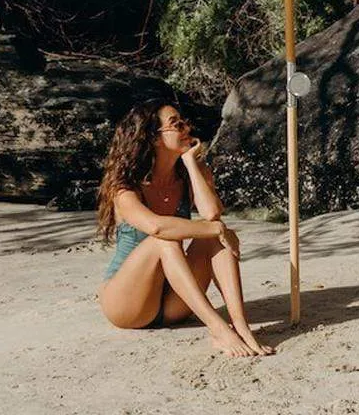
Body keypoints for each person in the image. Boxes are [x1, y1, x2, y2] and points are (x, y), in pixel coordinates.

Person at [96, 99, 274, 357]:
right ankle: (217, 327)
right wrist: (214, 229)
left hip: (175, 302)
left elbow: (212, 214)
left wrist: (192, 164)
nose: (186, 128)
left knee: (213, 236)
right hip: (129, 305)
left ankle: (241, 326)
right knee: (166, 240)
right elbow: (156, 227)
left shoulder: (189, 173)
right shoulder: (125, 187)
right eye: (176, 124)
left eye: (184, 122)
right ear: (153, 138)